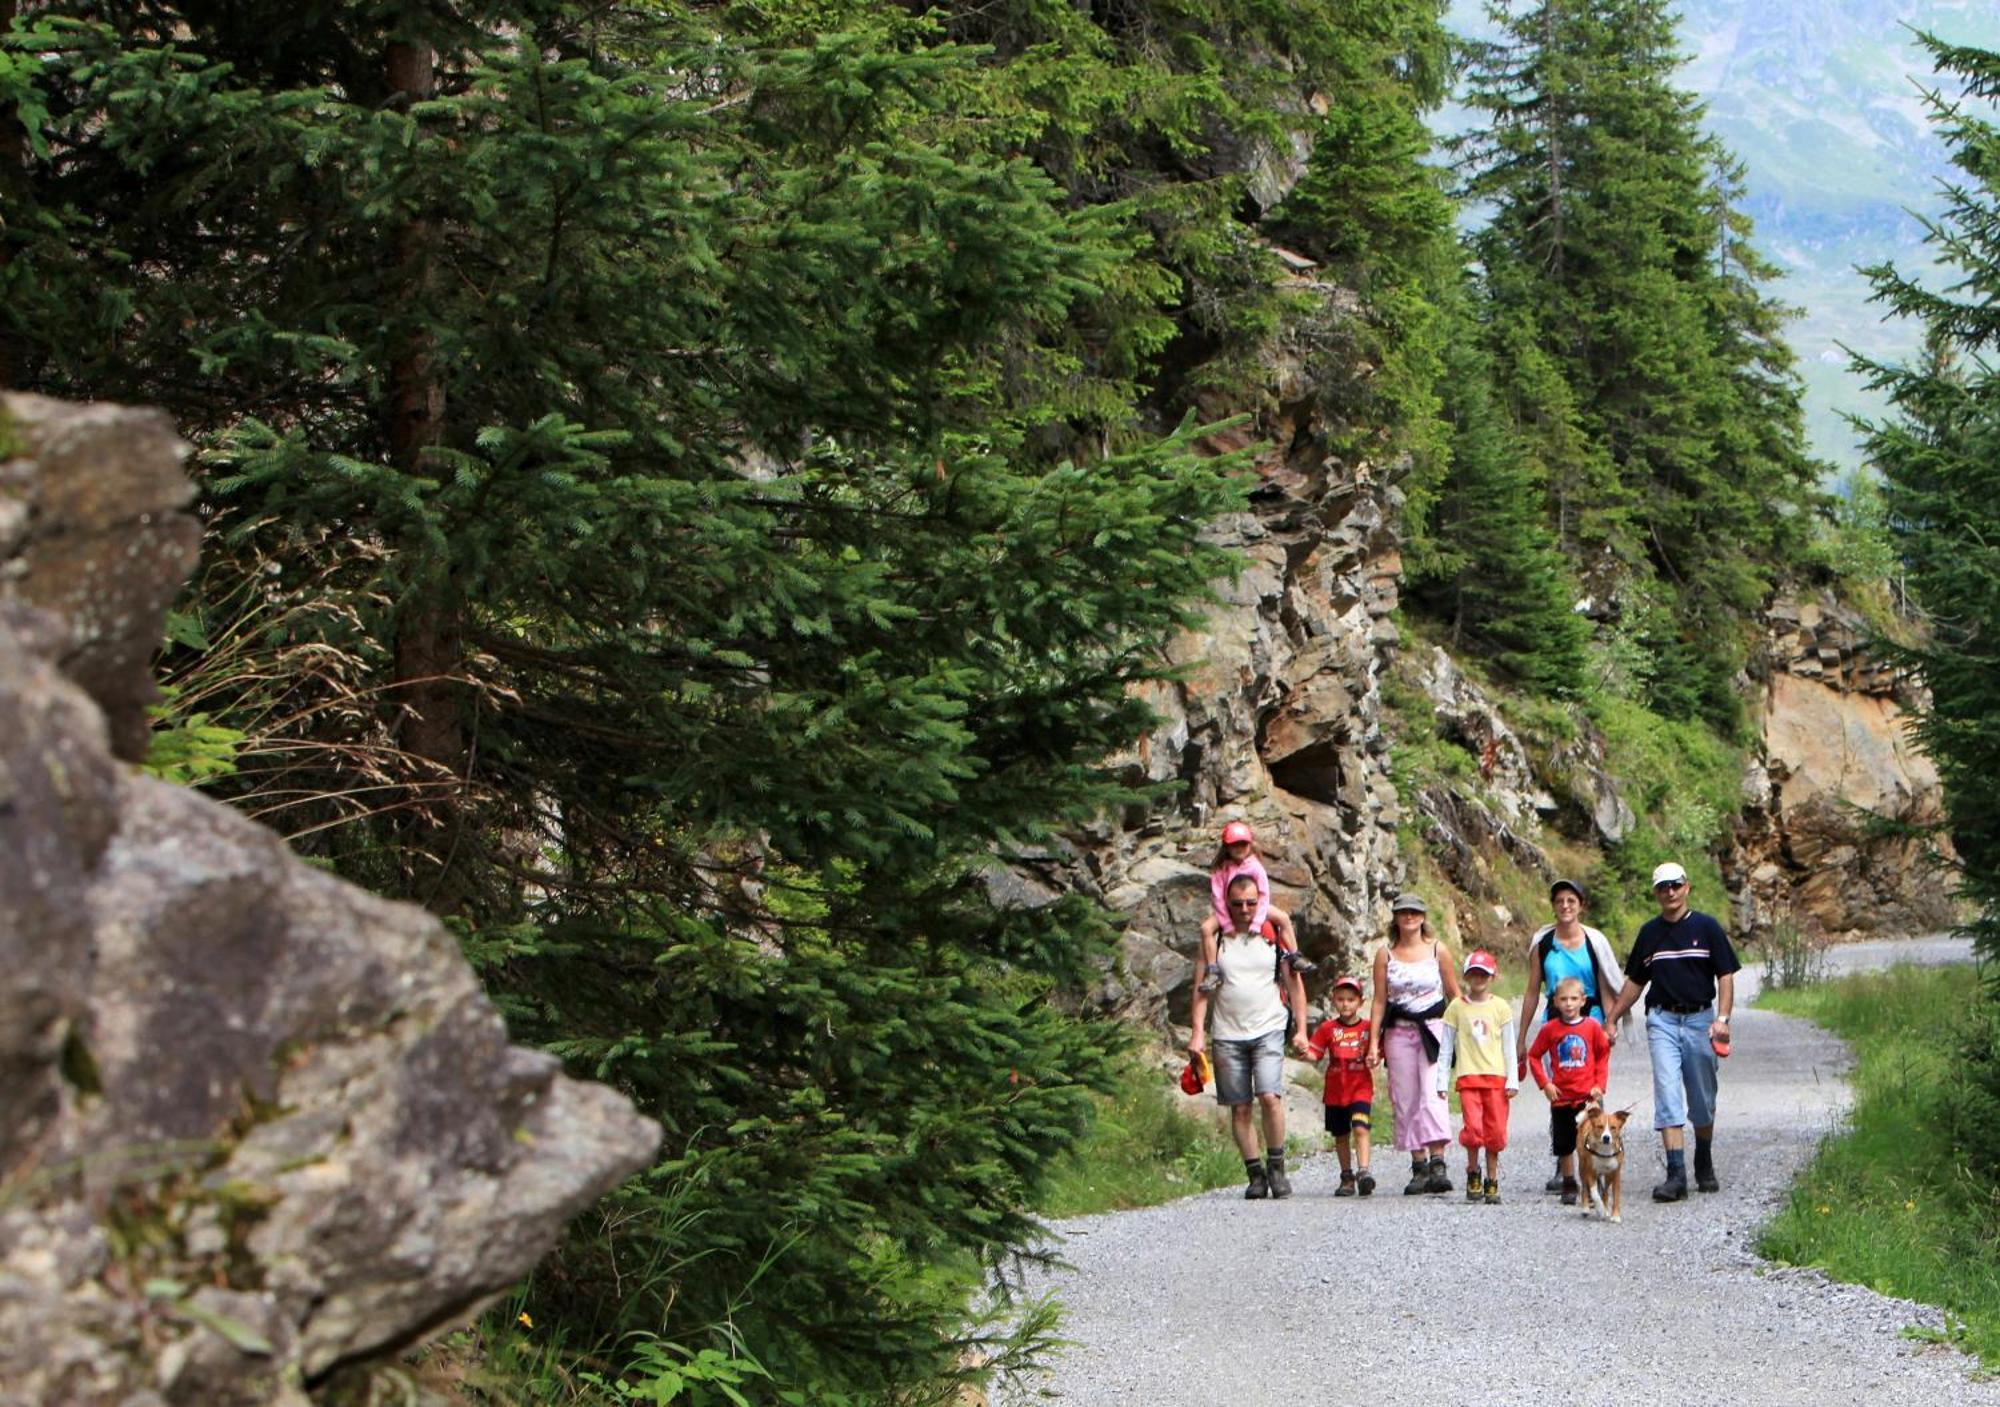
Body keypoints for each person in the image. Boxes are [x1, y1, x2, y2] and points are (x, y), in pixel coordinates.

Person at [1601, 861, 1740, 1202]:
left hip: (1700, 1021)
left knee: (1702, 1100)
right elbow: (1635, 981)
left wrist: (1722, 1018)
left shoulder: (1707, 928)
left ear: (1687, 887)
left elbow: (1725, 975)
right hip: (1662, 1020)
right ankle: (1675, 1175)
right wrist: (1613, 1017)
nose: (1670, 892)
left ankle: (1703, 1158)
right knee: (1667, 1093)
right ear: (1656, 893)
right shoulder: (1650, 933)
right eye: (1663, 888)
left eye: (1675, 885)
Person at [1189, 874, 1313, 1199]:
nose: (1244, 909)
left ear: (1261, 901)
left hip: (1269, 1027)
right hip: (1228, 1033)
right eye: (1237, 904)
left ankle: (1277, 1167)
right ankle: (1254, 1173)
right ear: (1225, 904)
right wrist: (1198, 1032)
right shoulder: (1216, 940)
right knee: (1240, 1107)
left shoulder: (1273, 935)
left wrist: (1301, 1029)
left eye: (1251, 903)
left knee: (1270, 1097)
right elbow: (1201, 989)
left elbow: (1295, 985)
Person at [1514, 878, 1627, 1192]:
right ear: (1553, 905)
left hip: (1591, 1021)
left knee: (1590, 1090)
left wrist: (1610, 1022)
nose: (1565, 906)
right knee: (1561, 1091)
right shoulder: (1544, 943)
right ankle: (1565, 1165)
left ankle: (1597, 1158)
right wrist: (1522, 1036)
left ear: (1581, 905)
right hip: (1556, 1025)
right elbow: (1533, 989)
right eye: (1560, 901)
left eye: (1571, 901)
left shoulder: (1594, 942)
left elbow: (1605, 983)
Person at [1367, 894, 1459, 1195]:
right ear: (1395, 918)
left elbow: (1453, 993)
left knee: (1433, 1093)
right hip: (1399, 1032)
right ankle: (1418, 1165)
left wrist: (1464, 1032)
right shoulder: (1386, 955)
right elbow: (1380, 1001)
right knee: (1405, 1097)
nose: (1409, 917)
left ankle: (1438, 1162)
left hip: (1433, 1029)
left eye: (1414, 912)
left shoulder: (1437, 950)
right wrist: (1372, 1043)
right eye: (1403, 913)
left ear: (1423, 917)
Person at [1436, 949, 1519, 1204]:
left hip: (1495, 1078)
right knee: (1473, 1130)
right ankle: (1473, 1172)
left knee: (1495, 1132)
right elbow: (1446, 1047)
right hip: (1468, 1078)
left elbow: (1508, 1047)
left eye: (1483, 974)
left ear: (1492, 976)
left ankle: (1492, 1179)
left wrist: (1512, 1079)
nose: (1478, 979)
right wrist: (1442, 1081)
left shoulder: (1500, 1008)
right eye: (1473, 974)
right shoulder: (1456, 1008)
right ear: (1465, 977)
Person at [1524, 976, 1611, 1205]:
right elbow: (1533, 1056)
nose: (1569, 1004)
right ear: (1555, 1002)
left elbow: (1602, 1055)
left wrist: (1599, 1085)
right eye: (1563, 999)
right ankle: (1569, 1181)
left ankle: (1592, 1182)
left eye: (1574, 999)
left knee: (1592, 1140)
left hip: (1587, 1098)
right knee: (1564, 1143)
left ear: (1583, 1000)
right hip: (1562, 1097)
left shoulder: (1592, 1027)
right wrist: (1545, 1084)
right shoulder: (1550, 1029)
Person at [1197, 821, 1311, 993]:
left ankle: (1294, 956)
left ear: (1249, 844)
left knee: (1283, 918)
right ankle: (1213, 969)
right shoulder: (1222, 870)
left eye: (1243, 844)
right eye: (1234, 845)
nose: (1239, 848)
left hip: (1256, 906)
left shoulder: (1255, 866)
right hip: (1229, 909)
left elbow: (1264, 894)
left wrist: (1258, 921)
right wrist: (1226, 923)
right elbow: (1218, 897)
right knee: (1206, 929)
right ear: (1226, 847)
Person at [1305, 975, 1376, 1196]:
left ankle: (1363, 1172)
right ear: (1334, 1000)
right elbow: (1314, 1054)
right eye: (1341, 999)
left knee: (1360, 1127)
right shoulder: (1327, 1028)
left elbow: (1378, 1051)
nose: (1346, 1004)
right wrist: (1301, 1050)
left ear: (1360, 1002)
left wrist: (1375, 1057)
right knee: (1341, 1134)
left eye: (1351, 999)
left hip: (1360, 1089)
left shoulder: (1368, 1028)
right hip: (1335, 1091)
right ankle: (1346, 1176)